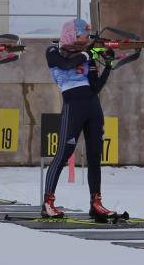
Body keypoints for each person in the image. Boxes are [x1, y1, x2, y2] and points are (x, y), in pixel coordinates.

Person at [41, 18, 119, 220]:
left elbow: (95, 87)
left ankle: (96, 203)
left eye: (86, 36)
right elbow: (66, 64)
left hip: (93, 107)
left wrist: (108, 66)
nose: (84, 39)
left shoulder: (87, 55)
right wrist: (88, 53)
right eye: (81, 35)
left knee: (94, 157)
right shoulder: (53, 51)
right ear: (70, 34)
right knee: (63, 155)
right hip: (73, 106)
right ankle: (48, 202)